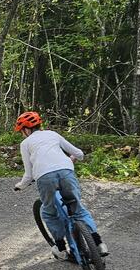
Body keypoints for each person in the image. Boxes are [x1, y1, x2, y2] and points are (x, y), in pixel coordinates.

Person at [12, 111, 109, 260]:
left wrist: (20, 186)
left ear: (26, 129)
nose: (22, 134)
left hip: (45, 178)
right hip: (66, 172)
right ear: (39, 125)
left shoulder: (25, 143)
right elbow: (79, 153)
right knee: (79, 209)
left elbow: (29, 175)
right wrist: (70, 160)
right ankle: (99, 243)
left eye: (22, 131)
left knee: (48, 212)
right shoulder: (53, 134)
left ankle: (61, 247)